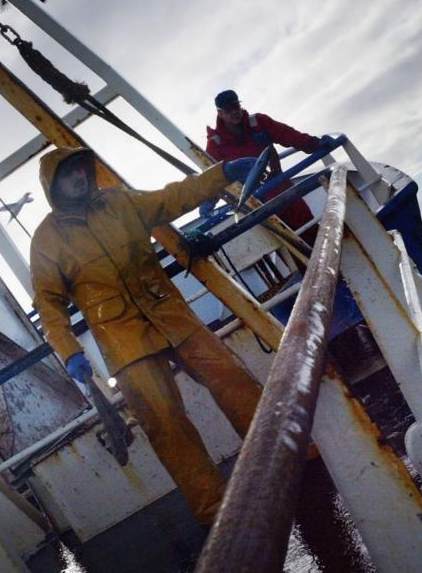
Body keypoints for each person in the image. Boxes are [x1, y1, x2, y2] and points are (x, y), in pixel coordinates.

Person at [30, 146, 264, 526]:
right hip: (123, 339)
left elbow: (174, 197)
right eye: (68, 174)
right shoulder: (46, 240)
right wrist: (69, 349)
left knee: (232, 377)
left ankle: (283, 455)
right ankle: (218, 515)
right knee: (166, 425)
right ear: (52, 186)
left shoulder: (120, 203)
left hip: (170, 314)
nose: (79, 177)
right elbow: (48, 303)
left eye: (81, 169)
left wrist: (224, 173)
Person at [204, 89, 331, 233]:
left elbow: (287, 134)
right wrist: (208, 201)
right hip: (253, 203)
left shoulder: (259, 122)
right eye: (228, 109)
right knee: (285, 241)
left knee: (308, 226)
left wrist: (315, 143)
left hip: (281, 187)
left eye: (236, 106)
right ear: (220, 113)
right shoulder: (216, 144)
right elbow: (213, 178)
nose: (234, 111)